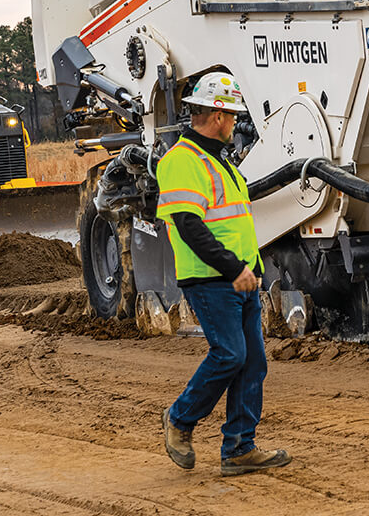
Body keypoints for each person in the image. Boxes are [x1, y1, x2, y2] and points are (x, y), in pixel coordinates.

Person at [158, 72, 292, 478]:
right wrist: (234, 268)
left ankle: (238, 448)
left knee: (252, 363)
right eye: (231, 115)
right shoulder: (181, 161)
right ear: (217, 116)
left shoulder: (219, 160)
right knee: (230, 354)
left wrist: (251, 268)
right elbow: (189, 226)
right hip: (211, 279)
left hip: (241, 279)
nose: (235, 123)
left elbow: (233, 221)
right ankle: (180, 420)